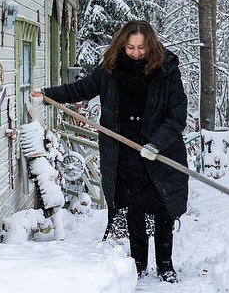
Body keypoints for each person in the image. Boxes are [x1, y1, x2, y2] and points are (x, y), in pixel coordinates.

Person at [32, 20, 188, 281]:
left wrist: (156, 143)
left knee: (162, 209)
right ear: (121, 45)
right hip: (124, 152)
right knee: (135, 208)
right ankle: (137, 266)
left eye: (141, 47)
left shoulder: (166, 71)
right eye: (130, 47)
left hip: (160, 152)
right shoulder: (110, 70)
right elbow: (80, 89)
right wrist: (49, 94)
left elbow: (177, 115)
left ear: (151, 45)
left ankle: (165, 266)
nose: (136, 52)